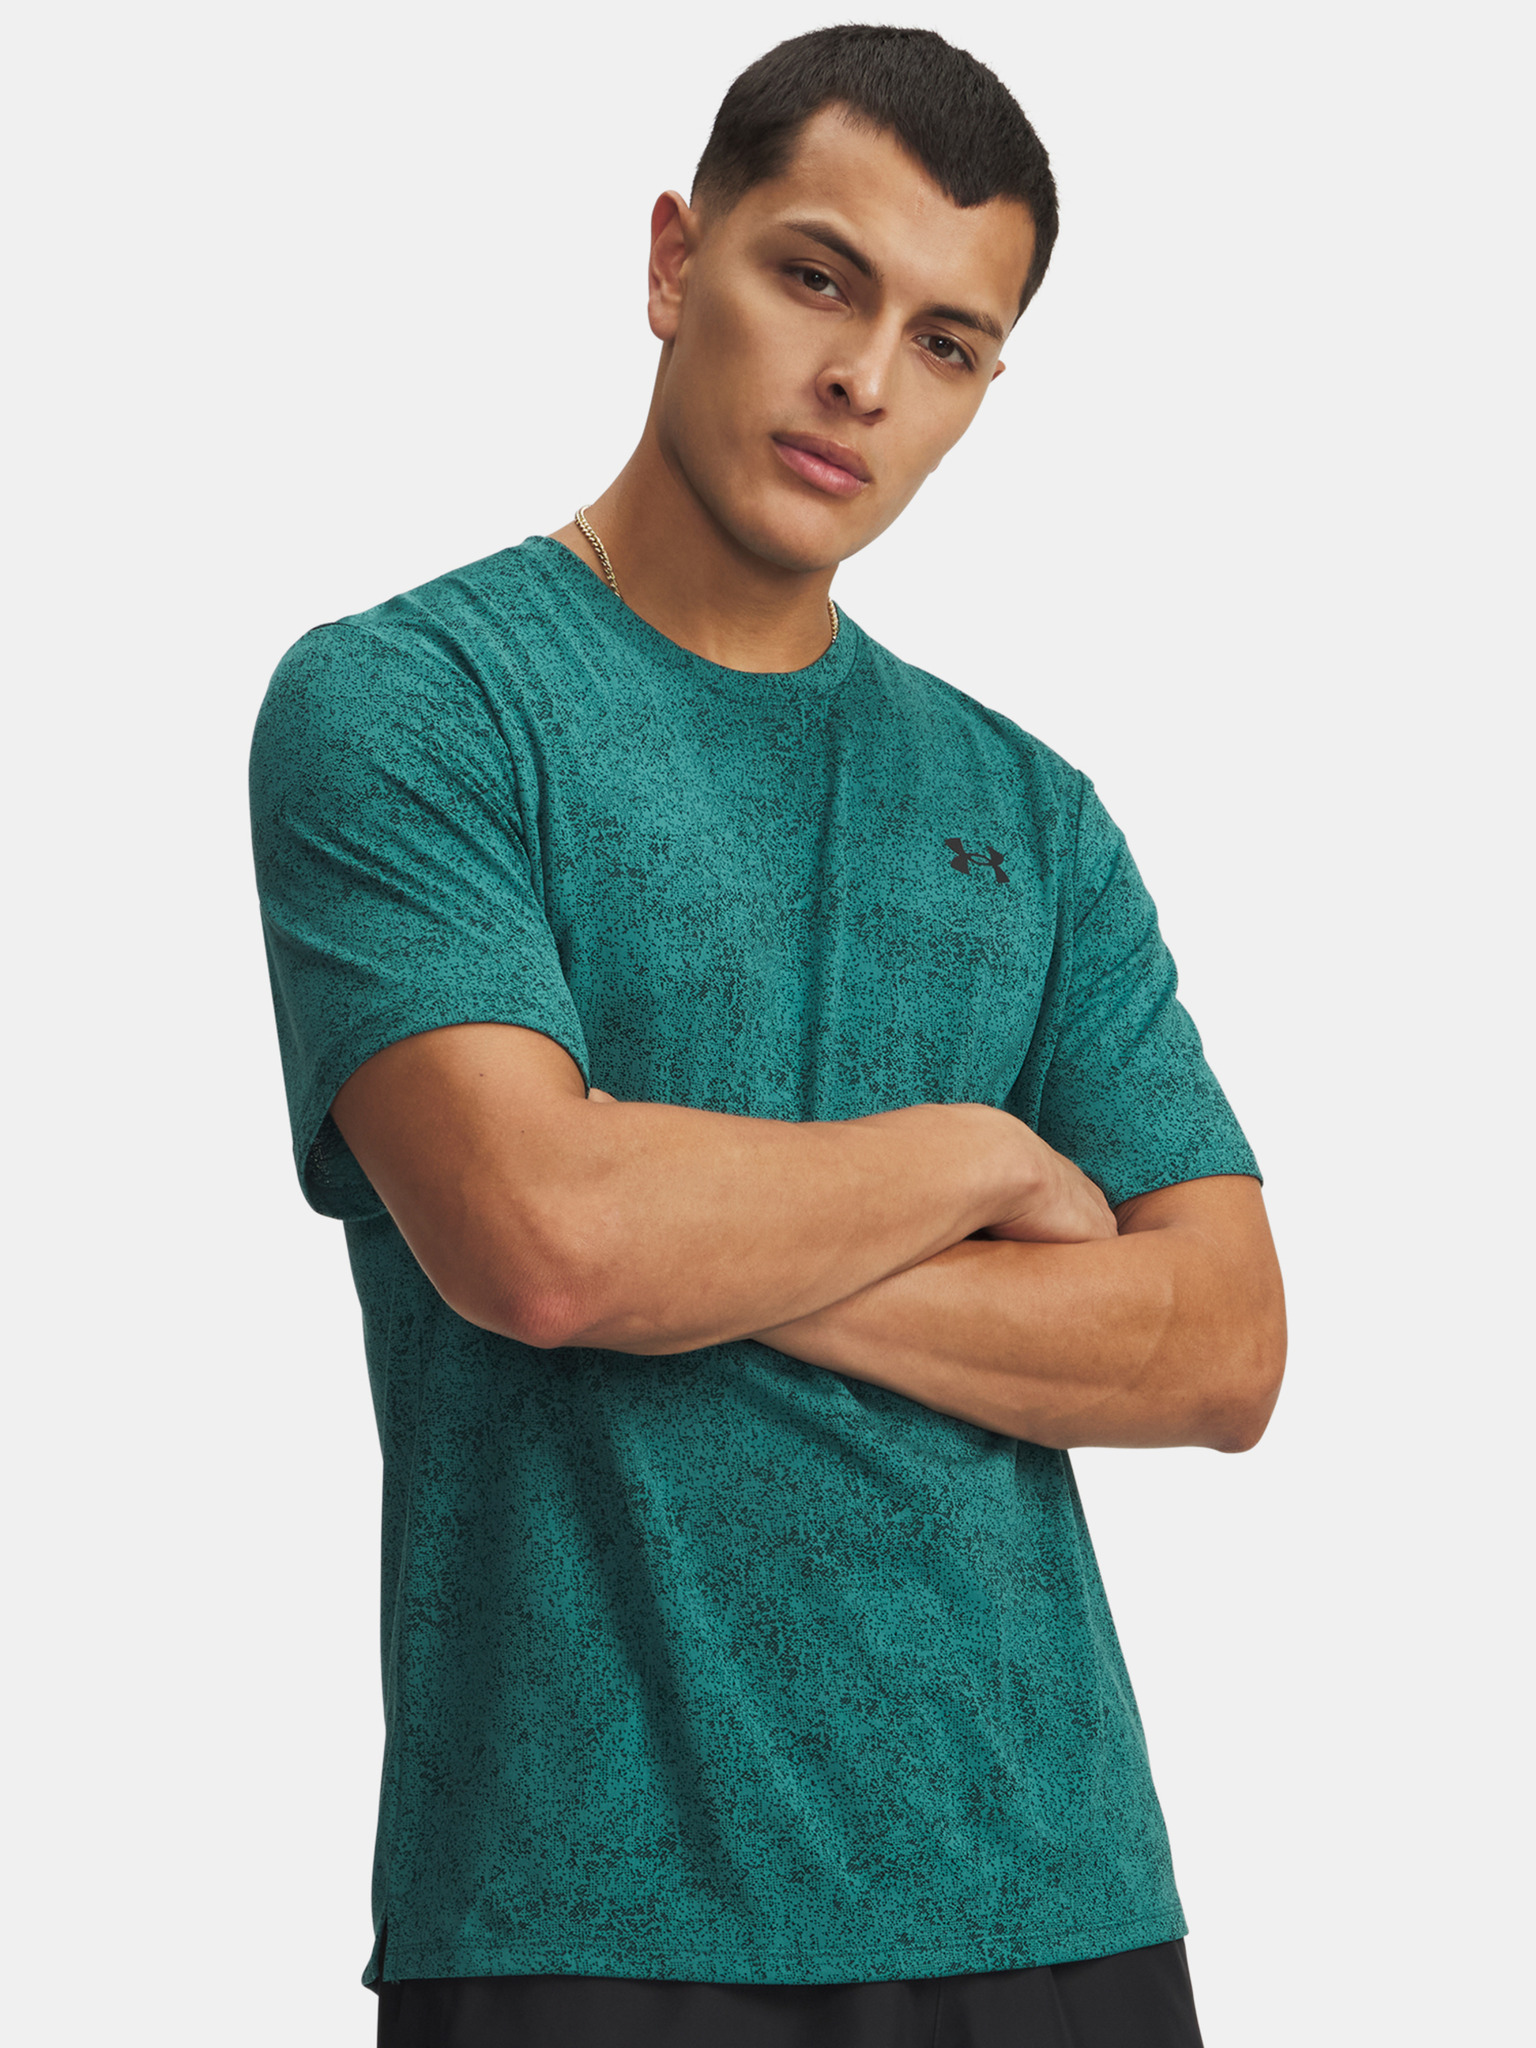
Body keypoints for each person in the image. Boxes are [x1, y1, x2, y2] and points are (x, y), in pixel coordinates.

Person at [249, 24, 1285, 2047]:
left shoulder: (1032, 812)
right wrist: (979, 1162)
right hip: (586, 1902)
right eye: (818, 276)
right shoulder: (413, 705)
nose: (865, 380)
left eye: (947, 343)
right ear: (672, 260)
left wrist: (695, 1234)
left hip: (1057, 1888)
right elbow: (544, 1241)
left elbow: (1224, 1342)